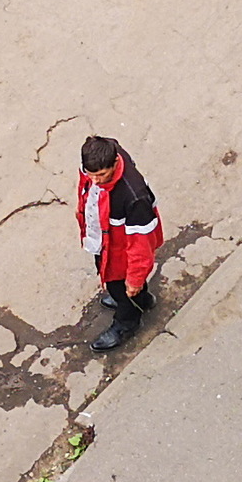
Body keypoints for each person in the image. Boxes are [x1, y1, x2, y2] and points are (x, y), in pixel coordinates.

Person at [76, 135, 163, 352]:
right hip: (106, 241)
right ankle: (143, 300)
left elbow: (141, 246)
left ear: (115, 163)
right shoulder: (100, 157)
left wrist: (134, 280)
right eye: (91, 175)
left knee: (120, 287)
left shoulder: (134, 198)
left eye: (102, 175)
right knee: (121, 288)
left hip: (120, 253)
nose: (95, 181)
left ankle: (127, 322)